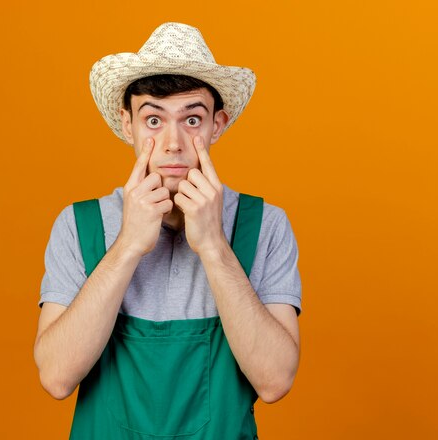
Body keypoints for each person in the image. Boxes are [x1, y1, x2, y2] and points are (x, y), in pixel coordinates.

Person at [33, 22, 302, 439]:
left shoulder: (264, 225)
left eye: (192, 118)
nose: (173, 142)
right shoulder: (79, 224)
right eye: (154, 120)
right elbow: (55, 377)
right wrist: (126, 247)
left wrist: (214, 246)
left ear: (218, 124)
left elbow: (275, 381)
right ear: (129, 126)